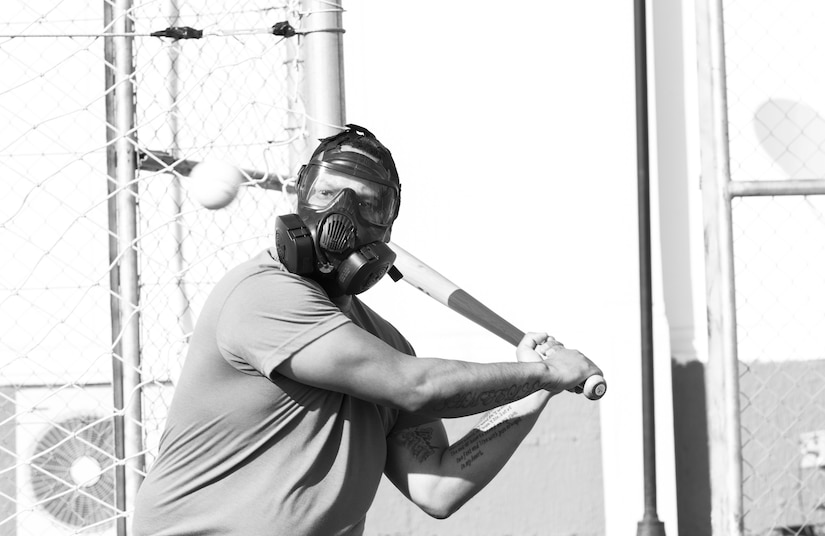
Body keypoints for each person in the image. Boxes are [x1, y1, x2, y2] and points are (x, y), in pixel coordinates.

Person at [131, 124, 602, 535]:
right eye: (326, 193)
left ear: (388, 227)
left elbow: (437, 486)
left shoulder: (387, 345)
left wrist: (536, 390)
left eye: (368, 204)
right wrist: (545, 375)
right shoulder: (261, 296)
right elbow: (416, 387)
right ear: (300, 194)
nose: (342, 215)